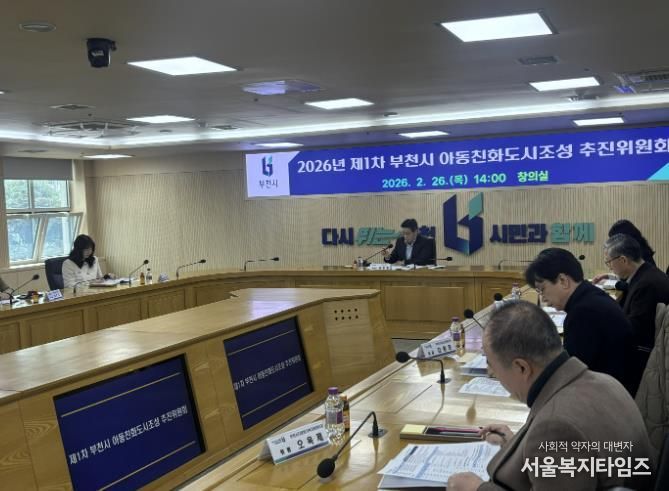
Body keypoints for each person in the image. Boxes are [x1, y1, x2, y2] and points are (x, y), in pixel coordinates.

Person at [447, 301, 653, 491]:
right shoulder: (604, 381)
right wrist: (518, 445)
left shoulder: (555, 427)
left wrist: (477, 488)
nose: (491, 372)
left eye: (491, 364)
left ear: (521, 367)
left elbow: (562, 438)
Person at [524, 248, 638, 394]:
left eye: (542, 289)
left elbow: (570, 375)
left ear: (563, 281)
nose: (543, 298)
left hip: (608, 396)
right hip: (616, 386)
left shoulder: (583, 313)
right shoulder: (589, 295)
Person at [603, 233, 669, 385]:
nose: (610, 267)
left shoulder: (646, 286)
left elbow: (633, 332)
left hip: (644, 357)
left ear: (623, 260)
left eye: (609, 262)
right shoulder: (646, 273)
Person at [592, 219, 656, 284]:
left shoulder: (641, 258)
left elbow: (630, 282)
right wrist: (608, 276)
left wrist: (608, 282)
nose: (612, 244)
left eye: (615, 241)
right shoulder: (640, 252)